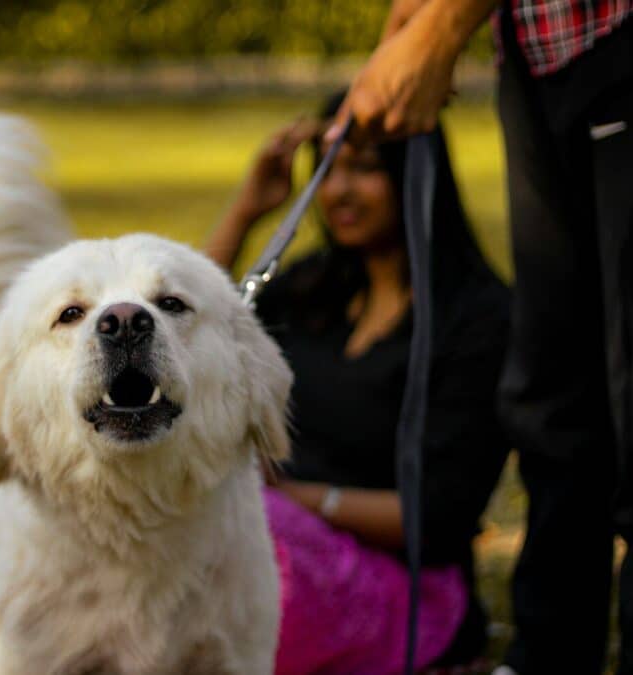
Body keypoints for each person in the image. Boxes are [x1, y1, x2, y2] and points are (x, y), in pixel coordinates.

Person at [327, 1, 633, 672]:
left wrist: (442, 30)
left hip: (623, 30)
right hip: (534, 50)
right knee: (554, 403)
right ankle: (547, 656)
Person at [206, 92, 510, 673]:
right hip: (272, 541)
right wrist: (247, 211)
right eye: (327, 168)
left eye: (364, 168)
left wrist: (297, 501)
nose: (339, 190)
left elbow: (439, 516)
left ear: (416, 174)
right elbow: (185, 336)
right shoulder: (313, 288)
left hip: (401, 587)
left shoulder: (477, 321)